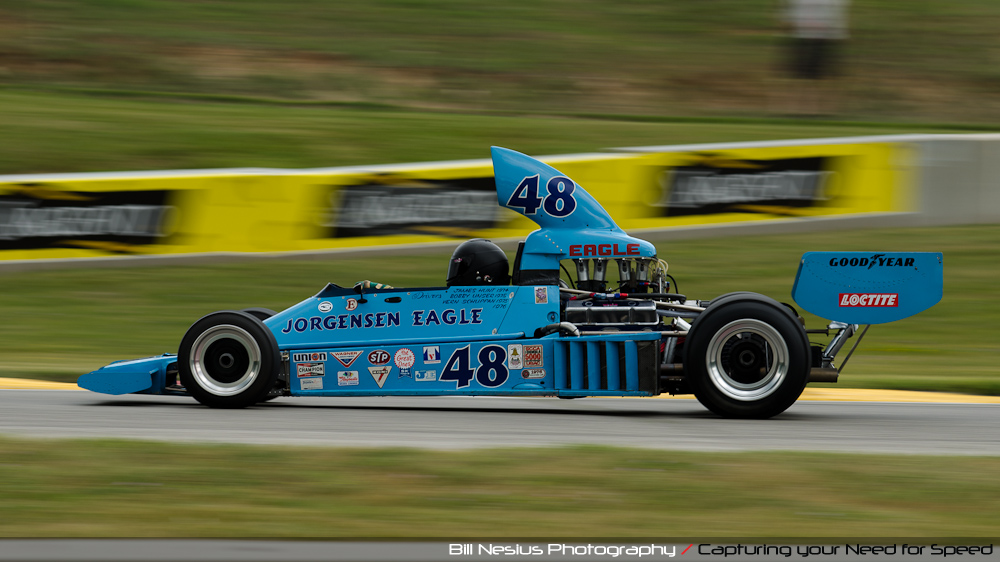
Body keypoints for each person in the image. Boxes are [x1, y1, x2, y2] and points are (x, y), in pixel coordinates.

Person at [780, 0, 850, 116]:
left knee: (822, 75)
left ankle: (822, 111)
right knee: (801, 75)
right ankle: (798, 110)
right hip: (803, 35)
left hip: (826, 36)